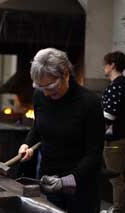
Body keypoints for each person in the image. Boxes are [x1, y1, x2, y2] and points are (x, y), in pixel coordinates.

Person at [18, 48, 105, 213]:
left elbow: (94, 154)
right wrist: (27, 144)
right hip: (48, 180)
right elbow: (38, 128)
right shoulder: (40, 96)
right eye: (41, 87)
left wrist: (66, 181)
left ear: (65, 74)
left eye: (50, 87)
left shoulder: (90, 103)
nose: (46, 93)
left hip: (82, 185)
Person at [101, 51, 125, 213]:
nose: (104, 67)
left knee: (116, 177)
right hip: (122, 135)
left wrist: (97, 134)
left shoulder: (115, 87)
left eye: (105, 64)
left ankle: (118, 209)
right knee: (117, 177)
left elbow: (108, 118)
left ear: (112, 65)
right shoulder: (124, 84)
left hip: (114, 139)